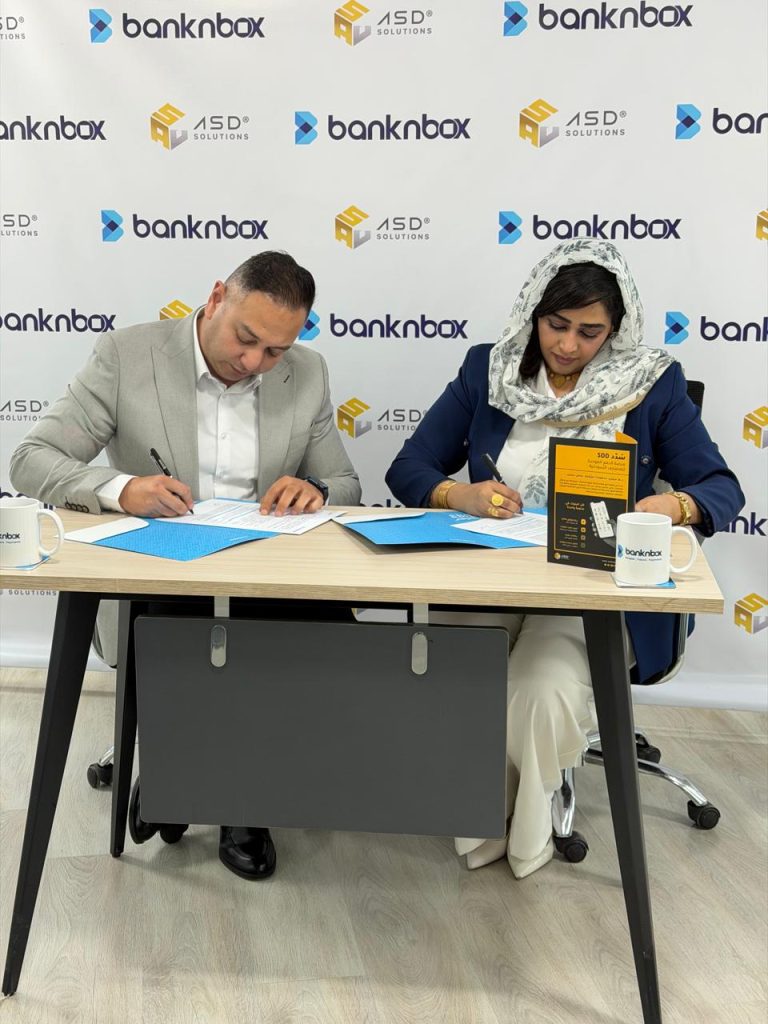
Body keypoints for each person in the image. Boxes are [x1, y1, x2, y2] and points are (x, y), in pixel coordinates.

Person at [385, 238, 744, 880]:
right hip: (493, 576)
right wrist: (457, 494)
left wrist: (669, 507)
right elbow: (409, 466)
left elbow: (721, 488)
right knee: (460, 668)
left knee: (540, 688)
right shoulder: (489, 369)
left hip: (592, 590)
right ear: (534, 312)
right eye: (556, 324)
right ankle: (480, 814)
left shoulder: (650, 382)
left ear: (616, 329)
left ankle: (525, 828)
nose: (569, 345)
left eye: (589, 331)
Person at [10, 250, 362, 882]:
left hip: (265, 575)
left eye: (275, 351)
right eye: (245, 338)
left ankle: (191, 779)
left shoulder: (307, 373)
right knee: (190, 632)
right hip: (161, 576)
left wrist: (314, 490)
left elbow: (344, 483)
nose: (253, 362)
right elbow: (32, 458)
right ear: (217, 296)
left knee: (321, 635)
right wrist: (122, 489)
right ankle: (214, 790)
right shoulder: (129, 355)